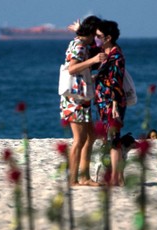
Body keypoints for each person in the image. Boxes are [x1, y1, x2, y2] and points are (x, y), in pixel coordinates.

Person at [60, 16, 105, 186]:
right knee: (79, 139)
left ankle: (85, 177)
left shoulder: (82, 43)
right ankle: (73, 179)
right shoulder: (79, 46)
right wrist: (93, 61)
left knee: (91, 136)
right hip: (74, 99)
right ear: (92, 32)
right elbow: (72, 69)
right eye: (97, 33)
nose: (99, 37)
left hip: (81, 98)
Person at [94, 20, 128, 186]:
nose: (96, 38)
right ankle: (118, 177)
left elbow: (116, 82)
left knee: (114, 139)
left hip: (111, 103)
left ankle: (116, 178)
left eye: (99, 36)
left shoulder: (116, 56)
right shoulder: (105, 51)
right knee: (111, 139)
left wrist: (114, 106)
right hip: (103, 102)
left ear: (108, 38)